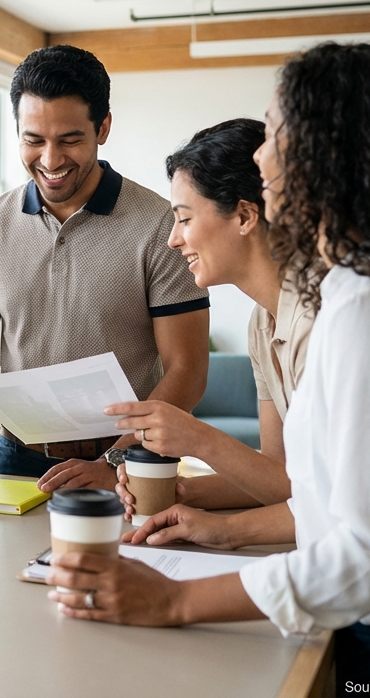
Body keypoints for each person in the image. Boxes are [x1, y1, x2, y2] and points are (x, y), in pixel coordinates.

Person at [46, 43, 370, 691]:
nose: (263, 155)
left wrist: (174, 601)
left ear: (332, 155)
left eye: (279, 134)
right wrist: (201, 513)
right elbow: (327, 500)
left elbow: (367, 553)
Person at [0, 45, 209, 492]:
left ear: (103, 128)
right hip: (14, 455)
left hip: (126, 461)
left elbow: (186, 370)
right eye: (33, 140)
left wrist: (116, 461)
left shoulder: (160, 226)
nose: (50, 160)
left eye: (70, 140)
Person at [108, 119, 315, 551]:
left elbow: (330, 498)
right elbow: (282, 476)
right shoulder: (263, 323)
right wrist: (182, 493)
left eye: (184, 218)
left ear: (244, 215)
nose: (172, 240)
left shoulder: (324, 321)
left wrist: (198, 439)